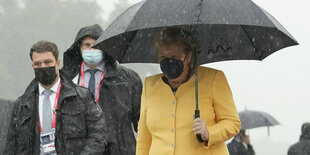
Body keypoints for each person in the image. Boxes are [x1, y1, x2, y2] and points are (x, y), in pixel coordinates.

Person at [136, 28, 241, 155]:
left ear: (188, 56)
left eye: (174, 56)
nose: (169, 61)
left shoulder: (213, 79)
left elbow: (232, 122)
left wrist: (209, 132)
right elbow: (144, 138)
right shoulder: (149, 85)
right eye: (163, 57)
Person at [3, 40, 107, 154]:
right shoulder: (22, 105)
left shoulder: (81, 97)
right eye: (38, 63)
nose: (43, 67)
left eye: (48, 62)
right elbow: (11, 147)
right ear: (33, 66)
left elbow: (98, 135)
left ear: (57, 63)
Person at [62, 24, 142, 155]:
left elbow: (142, 122)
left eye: (96, 45)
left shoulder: (128, 79)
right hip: (81, 149)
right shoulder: (66, 79)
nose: (91, 49)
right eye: (87, 45)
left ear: (105, 47)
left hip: (120, 149)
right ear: (79, 48)